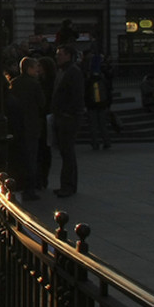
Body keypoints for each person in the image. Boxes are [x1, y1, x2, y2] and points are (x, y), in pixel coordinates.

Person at [10, 57, 46, 200]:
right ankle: (30, 188)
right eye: (35, 67)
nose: (37, 70)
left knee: (20, 156)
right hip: (31, 125)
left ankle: (18, 184)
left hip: (17, 125)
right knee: (31, 157)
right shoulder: (34, 84)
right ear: (28, 68)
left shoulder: (14, 83)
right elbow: (42, 103)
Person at [51, 45, 84, 198]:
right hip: (63, 116)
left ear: (69, 56)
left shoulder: (73, 72)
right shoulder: (63, 71)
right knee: (65, 152)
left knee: (68, 151)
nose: (58, 57)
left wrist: (68, 113)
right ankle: (67, 184)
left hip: (68, 117)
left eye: (60, 54)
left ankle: (69, 185)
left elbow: (77, 96)